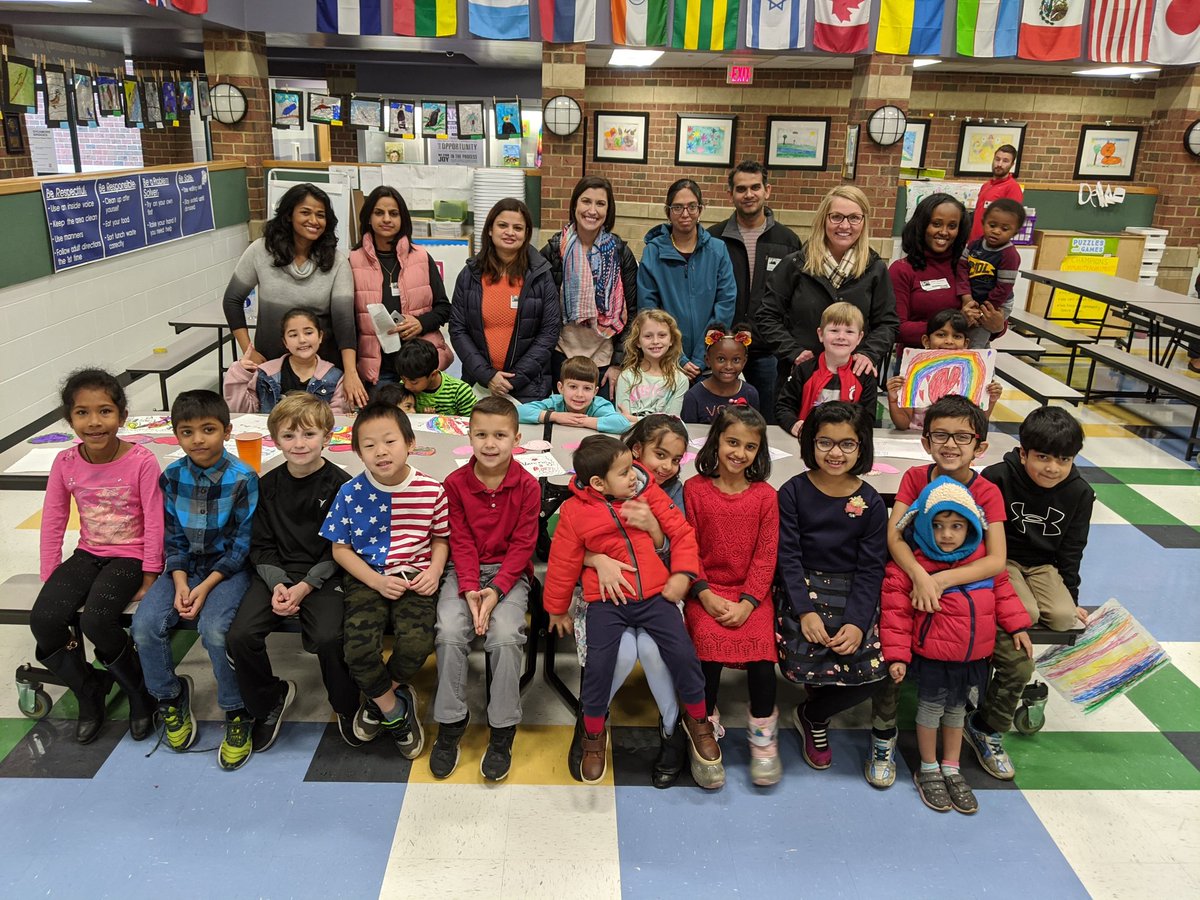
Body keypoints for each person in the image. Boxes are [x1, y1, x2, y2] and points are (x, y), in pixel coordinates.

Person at [543, 436, 722, 786]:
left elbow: (683, 535)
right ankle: (593, 734)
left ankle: (698, 721)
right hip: (606, 603)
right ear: (597, 483)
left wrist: (683, 575)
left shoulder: (647, 492)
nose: (633, 478)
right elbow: (562, 561)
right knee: (599, 668)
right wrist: (556, 609)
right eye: (624, 473)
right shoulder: (576, 512)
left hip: (656, 596)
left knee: (684, 656)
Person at [865, 394, 1007, 789]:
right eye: (940, 435)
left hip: (965, 593)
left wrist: (942, 581)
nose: (950, 445)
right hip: (912, 587)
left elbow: (996, 561)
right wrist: (920, 577)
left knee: (1000, 662)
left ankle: (981, 731)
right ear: (925, 442)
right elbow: (894, 537)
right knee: (891, 655)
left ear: (979, 446)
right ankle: (883, 735)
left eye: (962, 437)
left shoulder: (988, 491)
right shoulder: (914, 478)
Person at [881, 477, 1032, 814]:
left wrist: (1018, 625)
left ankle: (951, 766)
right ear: (922, 526)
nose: (947, 535)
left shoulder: (979, 564)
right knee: (930, 711)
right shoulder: (911, 569)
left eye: (956, 526)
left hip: (972, 658)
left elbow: (1004, 594)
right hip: (934, 659)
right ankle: (929, 767)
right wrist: (897, 656)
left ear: (971, 529)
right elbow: (895, 616)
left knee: (957, 712)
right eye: (937, 526)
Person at [225, 394, 361, 758]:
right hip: (276, 573)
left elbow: (340, 548)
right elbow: (261, 544)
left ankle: (347, 705)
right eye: (288, 436)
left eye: (308, 434)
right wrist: (278, 584)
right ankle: (270, 699)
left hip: (324, 573)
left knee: (329, 637)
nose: (299, 444)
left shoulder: (342, 487)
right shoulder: (266, 486)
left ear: (327, 437)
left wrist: (304, 587)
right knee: (239, 635)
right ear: (274, 439)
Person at [32, 369, 162, 744]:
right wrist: (49, 573)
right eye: (82, 413)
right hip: (88, 552)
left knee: (97, 621)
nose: (94, 422)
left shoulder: (142, 461)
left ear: (121, 416)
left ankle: (140, 693)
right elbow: (54, 517)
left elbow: (156, 520)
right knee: (44, 619)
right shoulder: (66, 463)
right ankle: (89, 690)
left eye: (105, 411)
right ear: (69, 418)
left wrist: (151, 573)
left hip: (131, 556)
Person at [130, 390, 258, 770]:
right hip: (185, 568)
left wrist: (204, 587)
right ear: (176, 435)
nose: (198, 439)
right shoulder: (171, 477)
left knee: (214, 629)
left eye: (208, 430)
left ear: (227, 431)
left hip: (228, 570)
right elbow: (173, 538)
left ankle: (236, 710)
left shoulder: (243, 478)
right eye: (187, 432)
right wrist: (182, 582)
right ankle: (169, 698)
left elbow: (241, 548)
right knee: (144, 625)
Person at [565, 415, 691, 788]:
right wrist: (595, 559)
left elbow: (679, 552)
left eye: (676, 459)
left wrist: (655, 529)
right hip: (604, 596)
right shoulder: (597, 480)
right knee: (619, 653)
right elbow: (557, 540)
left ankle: (672, 729)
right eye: (660, 454)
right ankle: (592, 722)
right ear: (636, 452)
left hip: (657, 593)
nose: (667, 466)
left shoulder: (675, 494)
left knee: (654, 652)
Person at [321, 401, 449, 759]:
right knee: (358, 649)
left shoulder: (431, 490)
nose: (381, 451)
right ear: (357, 451)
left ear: (410, 443)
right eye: (369, 444)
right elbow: (340, 549)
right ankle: (394, 710)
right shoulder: (349, 493)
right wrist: (376, 582)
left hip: (415, 577)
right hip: (367, 577)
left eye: (390, 441)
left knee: (416, 644)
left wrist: (434, 572)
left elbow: (441, 539)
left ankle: (378, 700)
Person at [971, 407, 1093, 779]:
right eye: (1042, 457)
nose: (1053, 468)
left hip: (1043, 565)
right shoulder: (996, 478)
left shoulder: (1079, 492)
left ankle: (1010, 681)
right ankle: (995, 687)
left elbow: (1072, 549)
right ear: (1023, 453)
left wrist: (1071, 597)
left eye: (1064, 460)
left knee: (1060, 616)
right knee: (1025, 613)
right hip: (1002, 558)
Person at [431, 397, 540, 782]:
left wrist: (495, 591)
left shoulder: (527, 486)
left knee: (507, 636)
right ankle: (451, 721)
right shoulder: (455, 484)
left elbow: (524, 546)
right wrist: (471, 590)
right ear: (468, 436)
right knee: (448, 631)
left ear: (516, 438)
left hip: (509, 575)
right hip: (464, 572)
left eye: (499, 435)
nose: (490, 444)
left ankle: (502, 728)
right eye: (481, 435)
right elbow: (459, 542)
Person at [776, 402, 888, 771]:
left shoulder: (870, 501)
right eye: (825, 442)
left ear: (861, 447)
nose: (835, 453)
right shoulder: (792, 491)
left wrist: (857, 622)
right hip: (802, 585)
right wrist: (805, 611)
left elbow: (872, 568)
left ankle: (814, 713)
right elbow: (787, 557)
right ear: (811, 442)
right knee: (808, 650)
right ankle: (818, 694)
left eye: (847, 444)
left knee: (874, 670)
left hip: (852, 588)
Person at [684, 406, 780, 786]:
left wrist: (749, 601)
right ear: (716, 442)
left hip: (749, 596)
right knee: (707, 645)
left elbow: (765, 555)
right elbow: (687, 546)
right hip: (705, 590)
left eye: (750, 447)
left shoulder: (765, 497)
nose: (739, 452)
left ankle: (763, 739)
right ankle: (703, 726)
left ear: (760, 452)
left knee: (761, 654)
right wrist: (704, 593)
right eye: (732, 442)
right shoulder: (694, 490)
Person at [757, 185, 898, 384]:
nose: (845, 226)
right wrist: (793, 352)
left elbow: (887, 323)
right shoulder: (795, 265)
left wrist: (869, 354)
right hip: (801, 376)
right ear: (824, 219)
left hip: (854, 379)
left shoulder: (875, 269)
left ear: (863, 222)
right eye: (837, 217)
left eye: (854, 218)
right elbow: (767, 315)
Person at [223, 183, 355, 377]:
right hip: (270, 368)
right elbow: (232, 300)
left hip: (322, 372)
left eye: (320, 215)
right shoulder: (261, 251)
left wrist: (350, 372)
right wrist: (248, 350)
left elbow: (344, 322)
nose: (314, 220)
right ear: (289, 215)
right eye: (305, 212)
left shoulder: (337, 262)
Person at [709, 161, 801, 416]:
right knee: (716, 418)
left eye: (755, 187)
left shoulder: (788, 241)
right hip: (722, 346)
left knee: (768, 418)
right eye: (741, 189)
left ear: (767, 190)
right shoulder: (714, 238)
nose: (748, 195)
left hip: (768, 351)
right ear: (730, 194)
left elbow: (795, 299)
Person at [348, 186, 453, 405]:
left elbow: (444, 308)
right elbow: (347, 322)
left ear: (402, 218)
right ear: (368, 217)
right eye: (379, 213)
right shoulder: (352, 261)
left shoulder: (421, 258)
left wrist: (420, 323)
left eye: (393, 213)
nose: (386, 219)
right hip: (378, 370)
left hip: (421, 370)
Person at [449, 198, 561, 403]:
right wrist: (487, 375)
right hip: (478, 385)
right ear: (490, 230)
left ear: (526, 234)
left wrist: (513, 379)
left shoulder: (541, 276)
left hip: (528, 388)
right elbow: (458, 329)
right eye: (502, 225)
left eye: (518, 227)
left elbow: (550, 331)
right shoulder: (469, 275)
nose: (510, 232)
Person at [541, 176, 638, 398]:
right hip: (560, 357)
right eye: (586, 201)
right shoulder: (554, 251)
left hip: (604, 362)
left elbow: (633, 313)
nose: (592, 210)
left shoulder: (621, 254)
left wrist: (618, 364)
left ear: (608, 210)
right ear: (575, 205)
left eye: (600, 204)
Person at [638, 179, 737, 380]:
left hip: (711, 360)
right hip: (665, 361)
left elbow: (725, 305)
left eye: (692, 207)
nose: (685, 214)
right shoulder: (653, 252)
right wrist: (678, 357)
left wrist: (702, 355)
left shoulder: (717, 250)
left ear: (700, 209)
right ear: (668, 211)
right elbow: (649, 310)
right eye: (678, 207)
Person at [886, 309, 1001, 432]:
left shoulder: (975, 376)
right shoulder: (914, 373)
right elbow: (902, 424)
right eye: (941, 335)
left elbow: (979, 424)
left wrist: (991, 399)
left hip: (959, 442)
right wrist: (893, 398)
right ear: (926, 341)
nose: (949, 341)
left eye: (957, 336)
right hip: (917, 440)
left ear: (966, 343)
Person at [776, 302, 879, 437]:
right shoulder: (804, 370)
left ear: (859, 337)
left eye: (849, 331)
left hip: (847, 443)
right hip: (806, 441)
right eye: (834, 330)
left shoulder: (865, 374)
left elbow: (868, 418)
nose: (841, 337)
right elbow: (783, 407)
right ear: (820, 334)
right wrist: (793, 424)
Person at [223, 308, 347, 414]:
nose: (302, 340)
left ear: (320, 336)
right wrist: (239, 375)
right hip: (271, 439)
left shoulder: (335, 377)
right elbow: (242, 412)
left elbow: (336, 421)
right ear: (285, 342)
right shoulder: (265, 373)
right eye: (293, 335)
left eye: (308, 332)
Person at [891, 192, 972, 353]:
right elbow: (896, 328)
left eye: (952, 226)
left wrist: (997, 325)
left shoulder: (966, 267)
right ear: (921, 226)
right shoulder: (901, 270)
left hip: (967, 364)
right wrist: (953, 326)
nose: (944, 232)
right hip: (917, 364)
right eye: (936, 224)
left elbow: (992, 323)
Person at [963, 197, 1024, 348]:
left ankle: (978, 360)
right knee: (968, 336)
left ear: (1015, 232)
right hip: (976, 297)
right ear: (983, 222)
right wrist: (966, 297)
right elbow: (962, 269)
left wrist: (983, 310)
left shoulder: (1009, 255)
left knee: (977, 338)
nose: (996, 231)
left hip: (997, 303)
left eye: (1004, 229)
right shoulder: (974, 245)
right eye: (992, 225)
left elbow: (1003, 289)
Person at [516, 355, 632, 433]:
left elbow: (623, 424)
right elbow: (517, 412)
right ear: (561, 388)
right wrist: (555, 416)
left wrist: (583, 421)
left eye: (587, 388)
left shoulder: (599, 405)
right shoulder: (555, 402)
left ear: (595, 392)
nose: (579, 394)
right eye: (573, 387)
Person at [614, 309, 687, 418]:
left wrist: (634, 419)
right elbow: (622, 420)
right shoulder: (626, 377)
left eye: (662, 335)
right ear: (638, 341)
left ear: (671, 340)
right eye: (648, 336)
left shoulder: (680, 380)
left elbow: (672, 422)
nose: (655, 341)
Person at [681, 323, 759, 424]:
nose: (728, 366)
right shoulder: (693, 397)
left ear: (744, 361)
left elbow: (753, 431)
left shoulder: (750, 393)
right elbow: (689, 435)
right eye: (721, 359)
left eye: (736, 360)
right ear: (708, 360)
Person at [396, 337, 476, 416]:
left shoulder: (459, 392)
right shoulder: (402, 388)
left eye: (414, 382)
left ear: (433, 375)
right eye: (403, 379)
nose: (406, 386)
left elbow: (474, 422)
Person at [968, 143, 1023, 244]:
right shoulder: (986, 185)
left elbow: (1011, 221)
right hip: (974, 243)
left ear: (1012, 164)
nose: (999, 164)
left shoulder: (1012, 187)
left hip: (991, 246)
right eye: (997, 159)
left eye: (1005, 161)